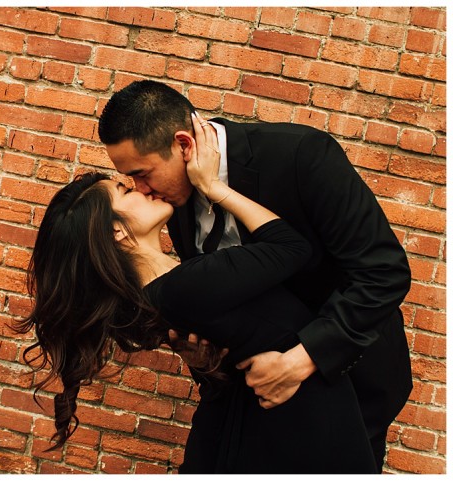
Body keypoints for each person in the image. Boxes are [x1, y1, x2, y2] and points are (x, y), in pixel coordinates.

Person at [18, 120, 376, 473]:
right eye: (127, 192)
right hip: (301, 423)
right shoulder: (186, 284)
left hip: (284, 413)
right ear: (116, 231)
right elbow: (293, 247)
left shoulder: (168, 289)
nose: (141, 190)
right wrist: (216, 188)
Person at [97, 80, 412, 471]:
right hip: (255, 398)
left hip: (348, 384)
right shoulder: (170, 201)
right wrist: (206, 355)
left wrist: (302, 360)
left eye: (143, 174)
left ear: (183, 145)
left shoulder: (300, 155)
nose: (141, 188)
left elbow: (383, 271)